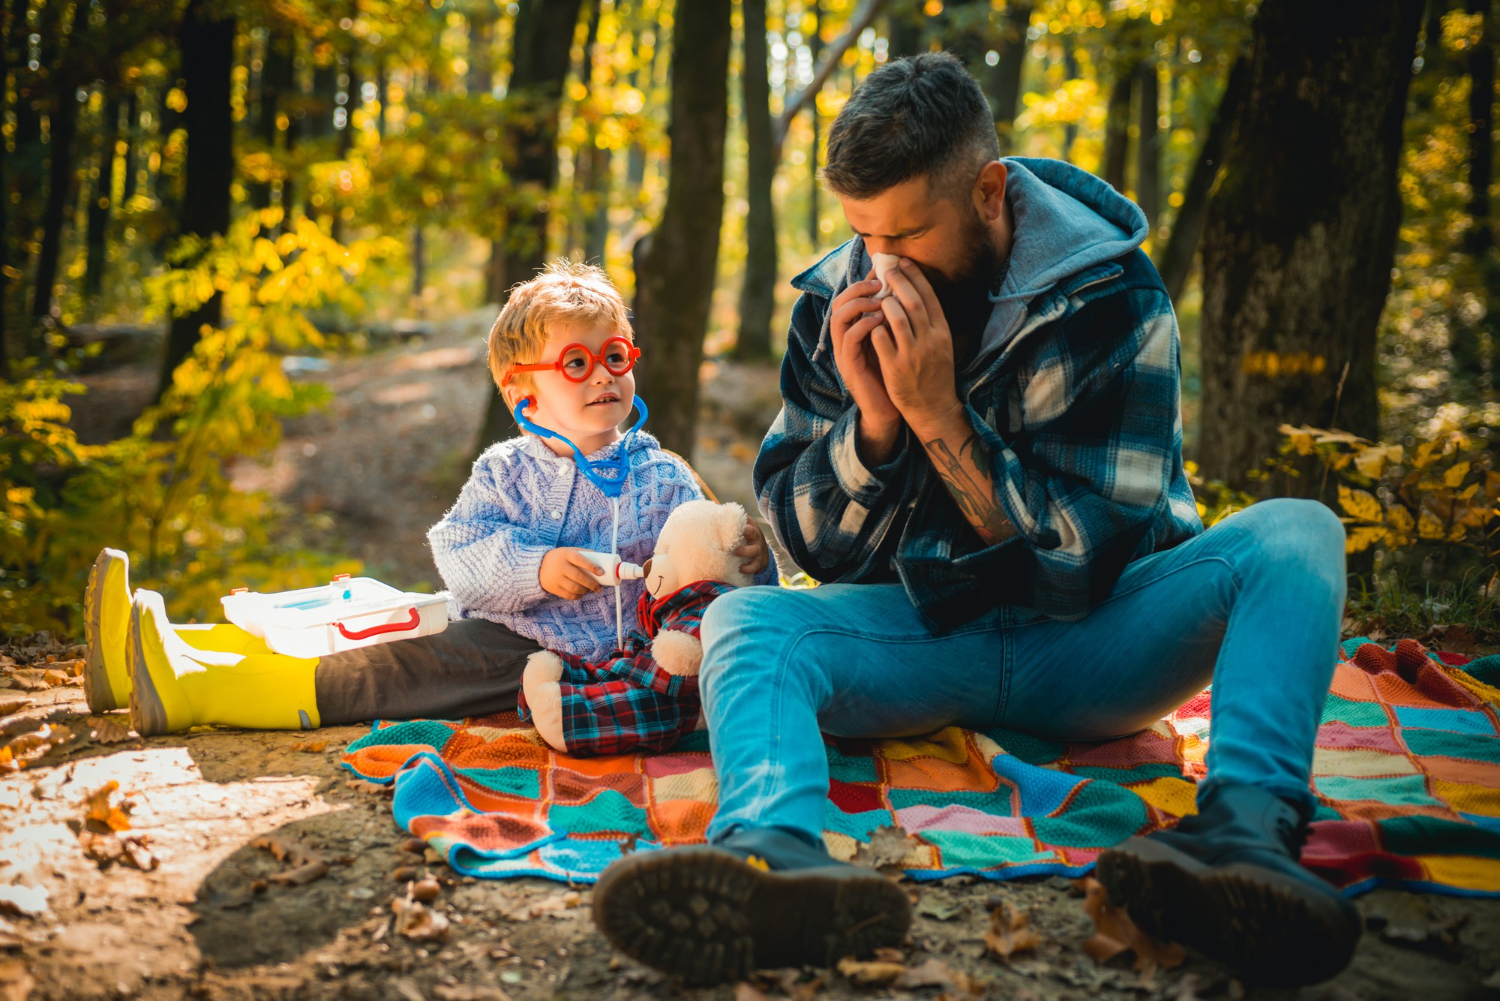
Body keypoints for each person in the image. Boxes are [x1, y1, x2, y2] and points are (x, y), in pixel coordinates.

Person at [591, 54, 1359, 988]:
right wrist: (873, 428)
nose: (884, 268)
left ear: (989, 193)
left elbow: (1081, 567)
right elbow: (803, 550)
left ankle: (1241, 838)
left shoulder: (1112, 296)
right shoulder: (838, 301)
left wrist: (939, 416)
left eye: (910, 234)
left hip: (1100, 642)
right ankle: (773, 860)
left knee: (1296, 532)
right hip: (919, 637)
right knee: (743, 620)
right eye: (865, 236)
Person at [84, 260, 772, 736]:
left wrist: (750, 556)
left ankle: (193, 690)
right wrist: (536, 568)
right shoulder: (507, 471)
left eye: (614, 356)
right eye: (576, 363)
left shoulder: (663, 476)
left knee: (389, 670)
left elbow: (713, 581)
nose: (603, 377)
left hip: (551, 661)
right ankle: (146, 654)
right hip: (507, 621)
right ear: (522, 393)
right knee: (377, 622)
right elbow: (459, 550)